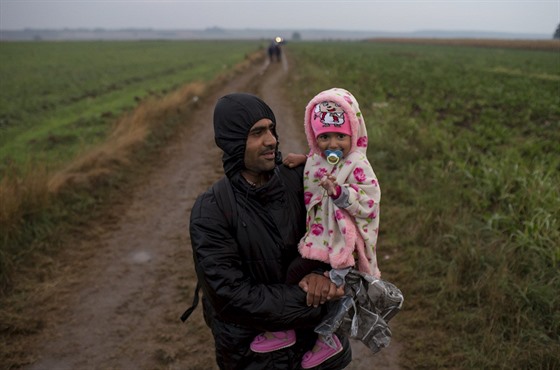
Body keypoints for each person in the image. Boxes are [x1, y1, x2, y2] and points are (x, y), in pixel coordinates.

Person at [188, 92, 352, 369]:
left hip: (320, 357)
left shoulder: (303, 180)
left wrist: (323, 276)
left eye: (272, 129)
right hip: (253, 359)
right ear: (233, 141)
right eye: (257, 133)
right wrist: (314, 299)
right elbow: (230, 296)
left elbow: (347, 235)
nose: (272, 140)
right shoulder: (212, 209)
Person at [251, 88, 382, 368]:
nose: (331, 144)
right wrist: (304, 159)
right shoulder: (318, 159)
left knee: (328, 287)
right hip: (323, 239)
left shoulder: (357, 164)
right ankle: (300, 332)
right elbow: (316, 163)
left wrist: (341, 194)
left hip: (344, 245)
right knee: (298, 277)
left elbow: (369, 202)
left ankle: (323, 337)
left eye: (340, 136)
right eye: (323, 137)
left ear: (353, 134)